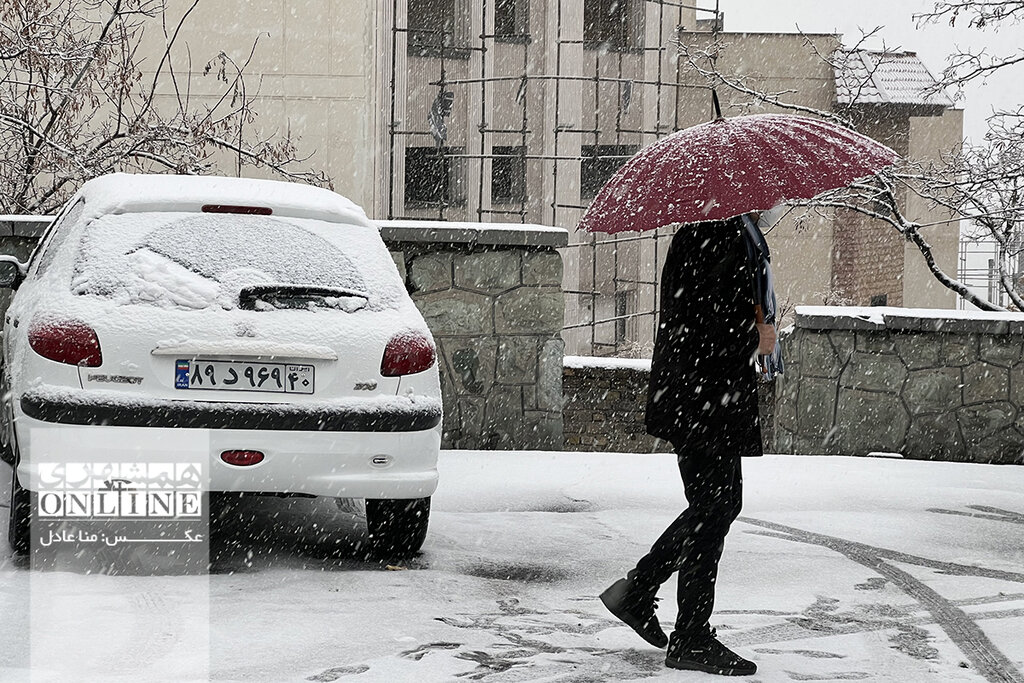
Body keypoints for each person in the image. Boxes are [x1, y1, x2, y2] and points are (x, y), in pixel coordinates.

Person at [600, 214, 776, 677]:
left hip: (704, 399)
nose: (774, 195)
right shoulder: (715, 236)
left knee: (715, 506)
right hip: (702, 400)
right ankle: (688, 634)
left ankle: (640, 592)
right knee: (714, 507)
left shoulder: (733, 234)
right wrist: (753, 336)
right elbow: (702, 325)